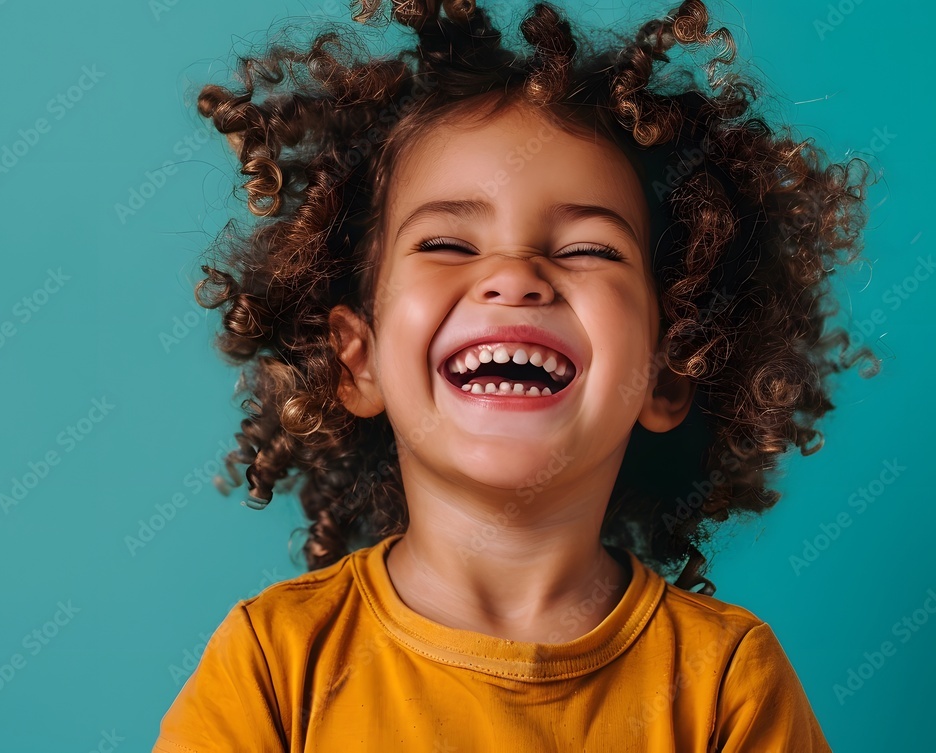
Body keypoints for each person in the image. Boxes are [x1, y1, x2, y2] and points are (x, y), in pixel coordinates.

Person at [153, 0, 878, 749]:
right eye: (447, 243)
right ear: (358, 360)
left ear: (667, 372)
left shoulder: (726, 681)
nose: (515, 277)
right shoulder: (273, 664)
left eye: (588, 250)